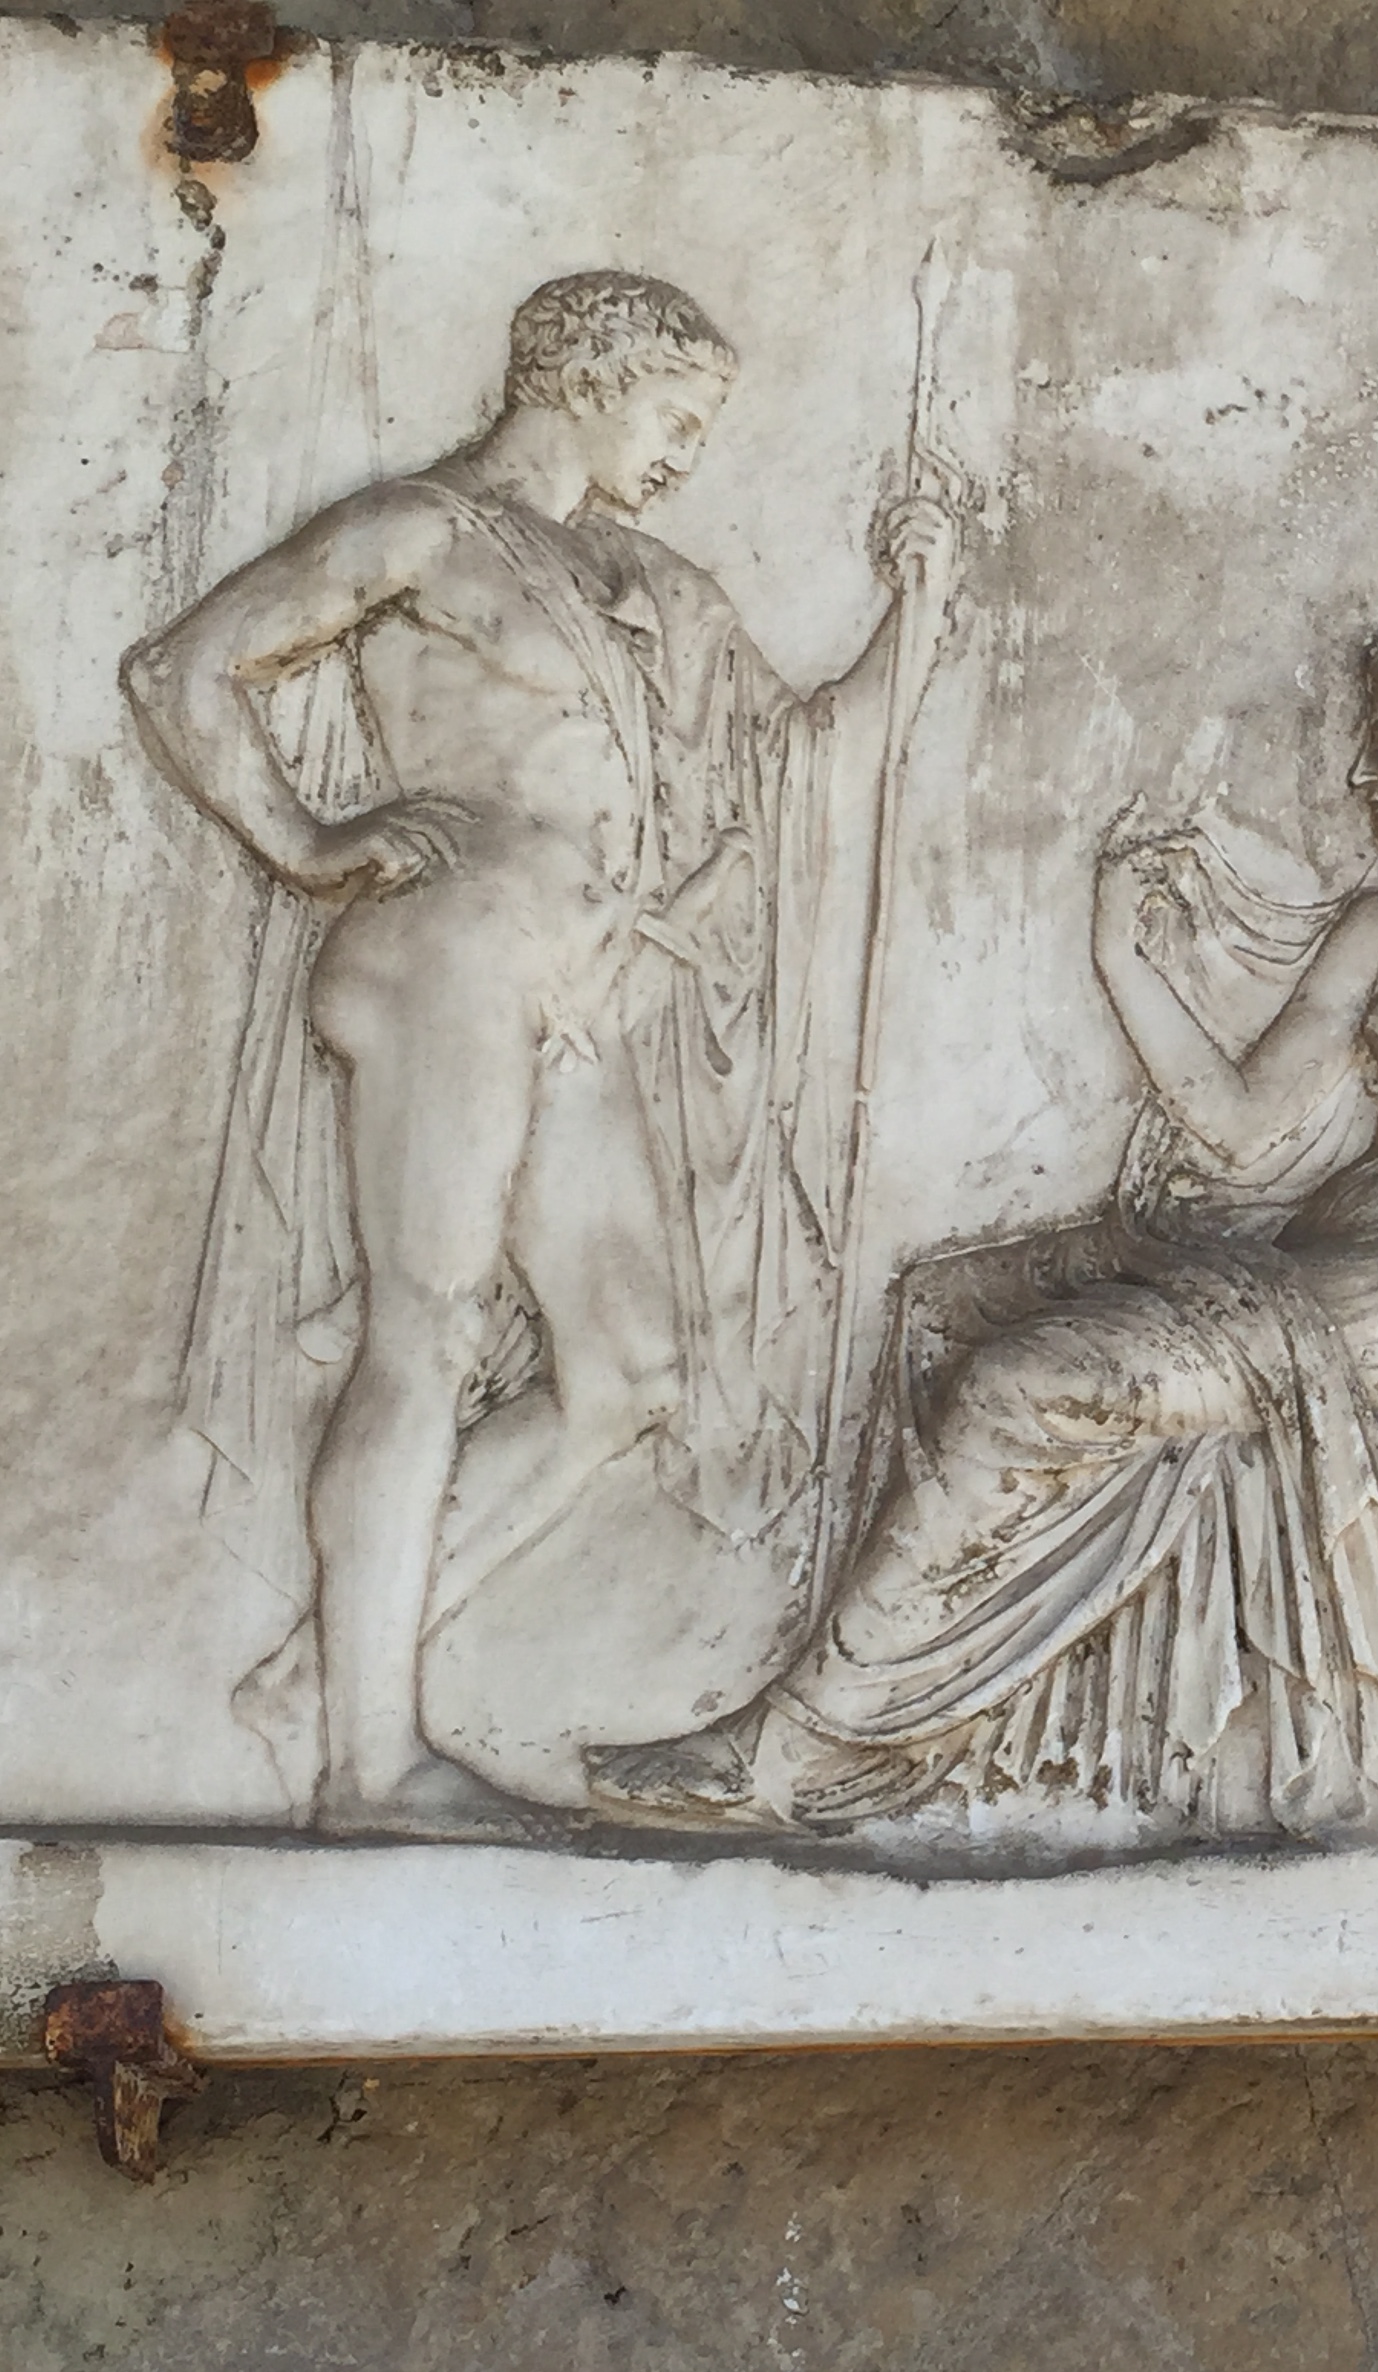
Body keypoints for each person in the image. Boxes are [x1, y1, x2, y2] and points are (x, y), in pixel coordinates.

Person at [586, 624, 1378, 1837]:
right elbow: (1235, 1124)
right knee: (949, 1302)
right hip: (1343, 1244)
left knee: (1026, 1383)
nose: (1360, 772)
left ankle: (802, 1744)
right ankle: (917, 1706)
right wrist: (1121, 955)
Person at [121, 271, 960, 1830]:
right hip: (451, 954)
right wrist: (305, 843)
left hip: (580, 992)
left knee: (627, 1370)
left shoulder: (655, 585)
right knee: (426, 1333)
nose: (687, 451)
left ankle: (316, 1678)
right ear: (586, 375)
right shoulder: (424, 528)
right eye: (677, 413)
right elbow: (183, 670)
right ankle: (367, 1764)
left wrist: (921, 610)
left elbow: (794, 767)